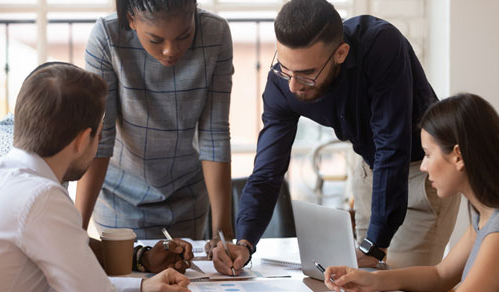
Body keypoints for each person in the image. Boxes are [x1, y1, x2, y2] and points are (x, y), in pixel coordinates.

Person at [212, 0, 460, 275]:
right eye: (285, 68)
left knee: (401, 282)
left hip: (424, 174)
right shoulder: (282, 83)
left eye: (306, 74)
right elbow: (267, 172)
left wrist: (374, 245)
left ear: (341, 53)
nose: (293, 86)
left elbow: (392, 146)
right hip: (371, 170)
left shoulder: (381, 45)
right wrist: (245, 242)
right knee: (363, 280)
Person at [0, 62, 190, 292]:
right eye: (98, 135)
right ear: (82, 140)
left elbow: (79, 281)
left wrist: (141, 287)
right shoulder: (39, 196)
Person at [78, 0, 234, 245]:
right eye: (156, 40)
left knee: (185, 278)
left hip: (188, 194)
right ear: (131, 19)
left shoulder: (216, 34)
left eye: (184, 36)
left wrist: (223, 235)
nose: (171, 50)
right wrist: (77, 229)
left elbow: (214, 135)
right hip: (120, 197)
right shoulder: (107, 37)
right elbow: (101, 137)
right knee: (131, 278)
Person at [324, 93, 499, 292]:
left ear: (458, 156)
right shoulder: (482, 214)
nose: (423, 167)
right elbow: (440, 275)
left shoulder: (496, 230)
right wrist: (372, 280)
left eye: (428, 155)